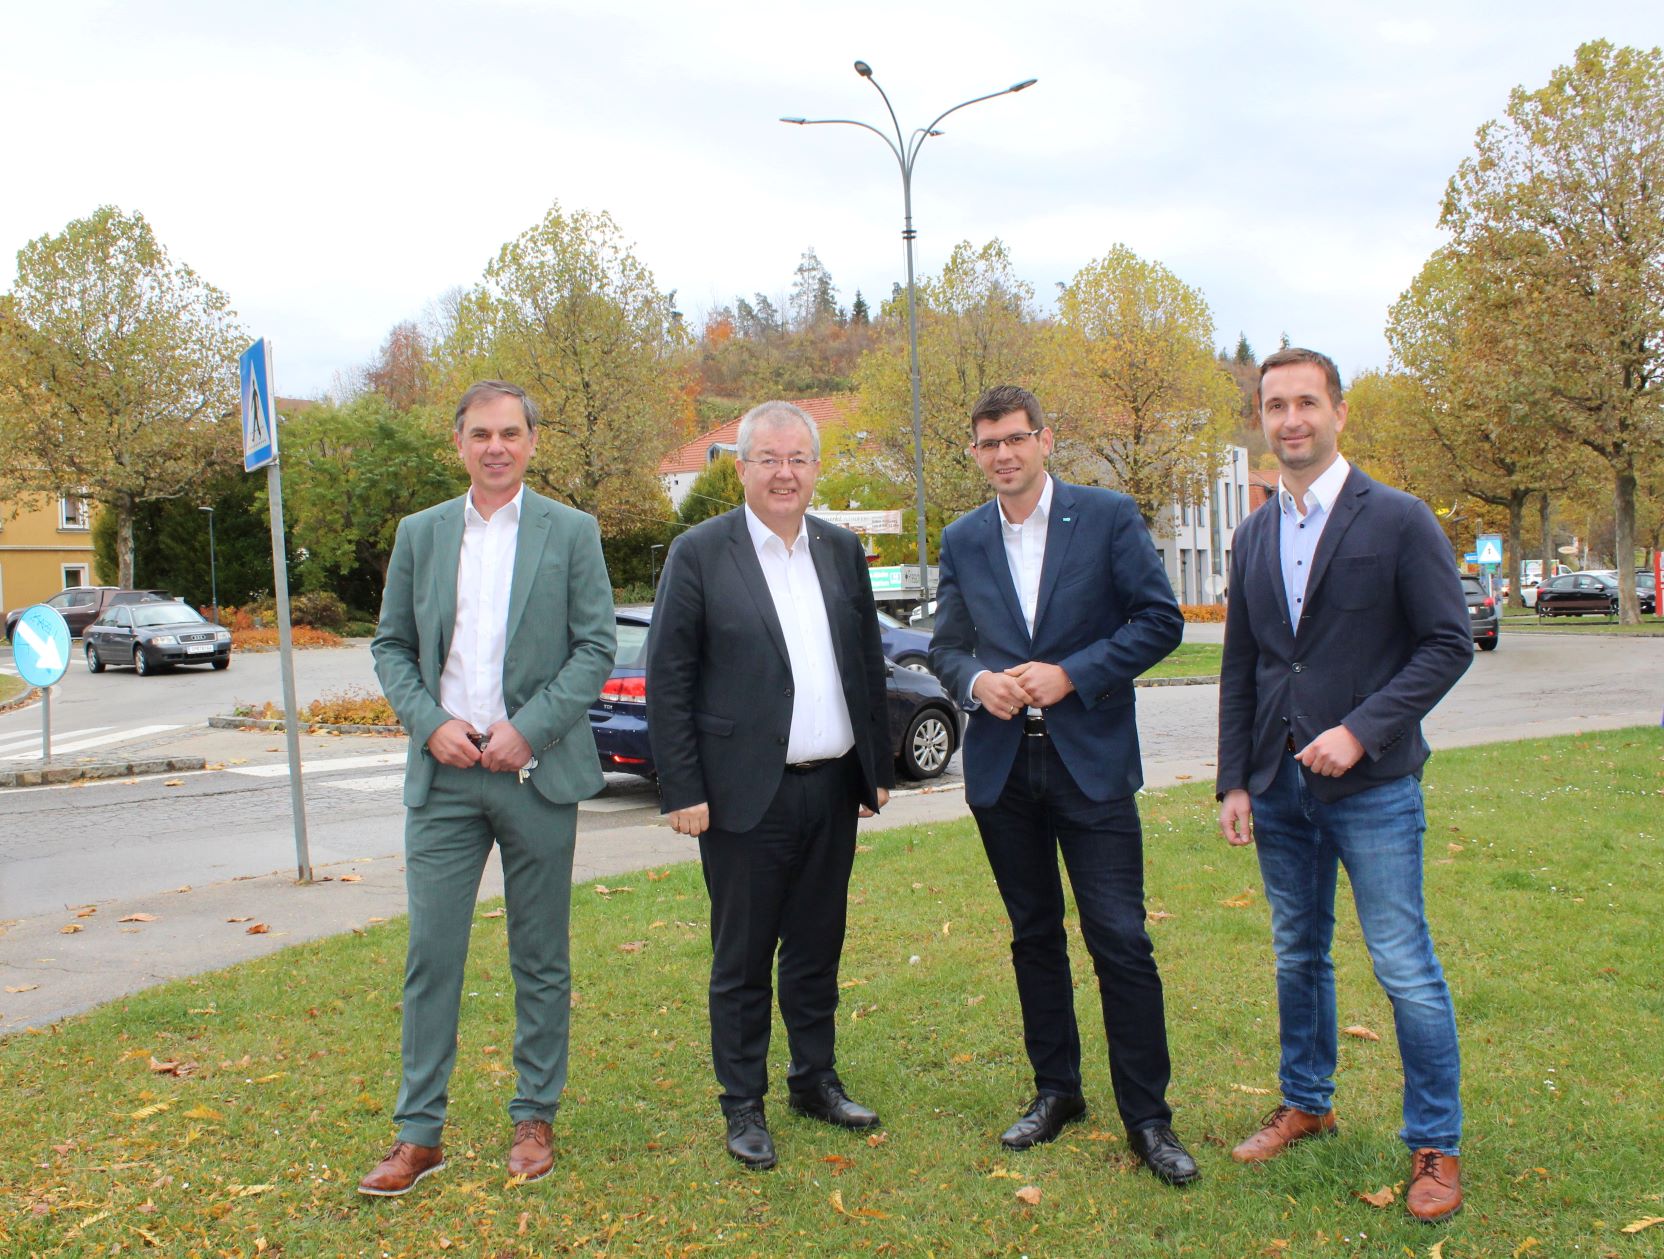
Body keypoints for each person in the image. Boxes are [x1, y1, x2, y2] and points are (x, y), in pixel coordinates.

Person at [1216, 347, 1472, 1223]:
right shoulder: (1253, 532)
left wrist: (1361, 730)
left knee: (1404, 966)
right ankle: (1307, 1100)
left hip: (1374, 789)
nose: (1291, 419)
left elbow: (1448, 642)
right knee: (1298, 952)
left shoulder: (1398, 519)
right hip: (1279, 790)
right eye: (1275, 405)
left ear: (1339, 411)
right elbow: (1244, 664)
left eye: (1306, 403)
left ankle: (1435, 1141)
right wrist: (1235, 781)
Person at [929, 384, 1198, 1186]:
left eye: (1015, 438)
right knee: (1032, 934)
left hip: (1092, 763)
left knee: (1120, 937)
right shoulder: (964, 538)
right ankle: (1057, 1091)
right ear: (976, 453)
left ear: (1047, 439)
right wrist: (979, 683)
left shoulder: (1108, 515)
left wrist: (1070, 674)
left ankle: (1149, 1119)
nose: (1003, 454)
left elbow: (1160, 621)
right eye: (988, 444)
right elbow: (946, 646)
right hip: (1005, 768)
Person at [359, 380, 616, 1196]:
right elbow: (392, 645)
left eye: (510, 432)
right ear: (459, 442)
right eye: (481, 433)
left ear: (532, 442)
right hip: (443, 773)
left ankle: (534, 1114)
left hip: (535, 773)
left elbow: (596, 646)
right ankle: (417, 1134)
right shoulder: (421, 534)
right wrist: (428, 720)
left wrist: (528, 727)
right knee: (431, 954)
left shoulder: (572, 532)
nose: (496, 445)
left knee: (540, 956)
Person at [645, 400, 893, 1171]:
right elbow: (669, 678)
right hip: (741, 796)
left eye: (799, 459)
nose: (785, 473)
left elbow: (863, 661)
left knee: (818, 947)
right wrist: (682, 787)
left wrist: (873, 768)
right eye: (769, 459)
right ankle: (742, 1102)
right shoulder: (699, 552)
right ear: (743, 467)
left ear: (816, 468)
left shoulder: (842, 550)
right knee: (744, 957)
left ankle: (814, 1079)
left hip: (831, 790)